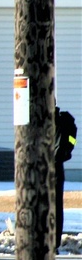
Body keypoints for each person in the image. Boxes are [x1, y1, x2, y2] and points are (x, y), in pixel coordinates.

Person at [55, 106, 77, 249]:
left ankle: (53, 243)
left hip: (54, 166)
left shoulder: (63, 121)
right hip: (42, 168)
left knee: (55, 206)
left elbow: (71, 139)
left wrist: (65, 152)